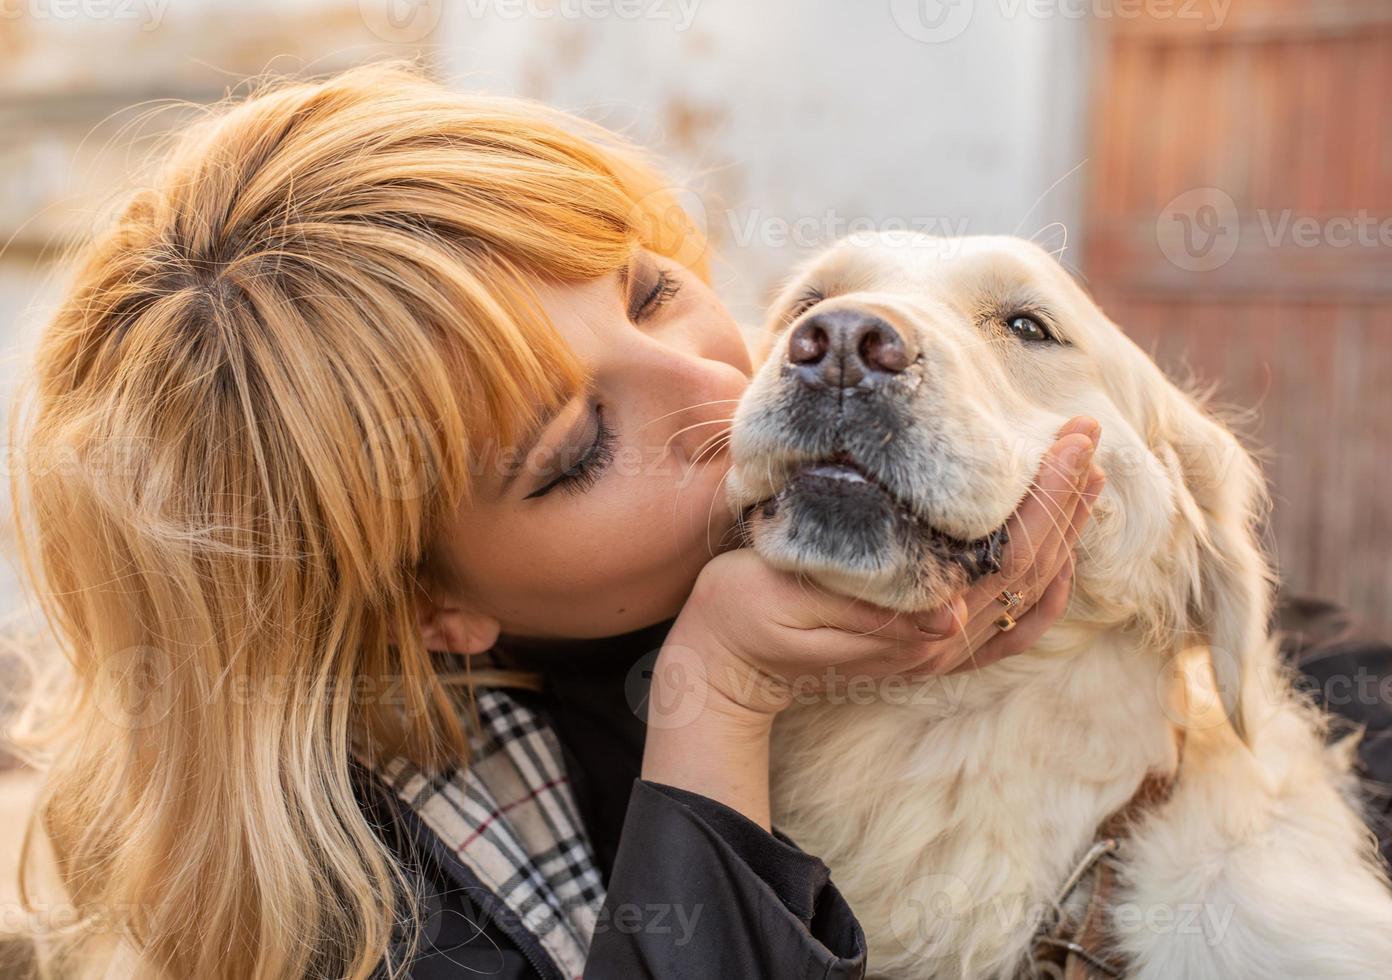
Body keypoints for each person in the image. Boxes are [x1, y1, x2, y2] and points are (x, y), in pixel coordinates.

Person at [12, 64, 1386, 980]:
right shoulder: (380, 917)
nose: (727, 386)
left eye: (657, 290)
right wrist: (717, 703)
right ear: (428, 613)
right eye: (573, 449)